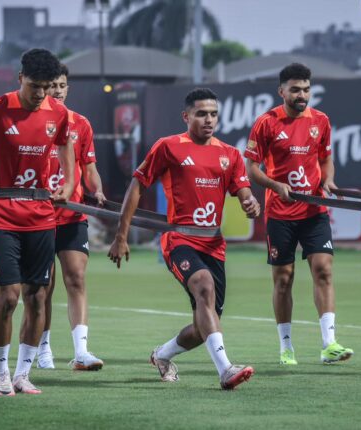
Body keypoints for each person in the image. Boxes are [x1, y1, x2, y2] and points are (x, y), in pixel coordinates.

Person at [108, 88, 259, 390]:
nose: (208, 120)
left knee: (205, 327)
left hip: (214, 244)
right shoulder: (169, 147)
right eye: (201, 114)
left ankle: (162, 355)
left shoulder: (230, 154)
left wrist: (250, 202)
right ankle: (225, 370)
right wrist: (121, 235)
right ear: (186, 116)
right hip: (179, 239)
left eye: (213, 114)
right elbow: (137, 186)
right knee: (203, 285)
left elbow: (243, 191)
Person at [0, 48, 75, 396]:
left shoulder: (58, 113)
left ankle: (23, 374)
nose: (41, 94)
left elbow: (65, 145)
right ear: (20, 78)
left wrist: (68, 183)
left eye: (47, 87)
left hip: (41, 217)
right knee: (8, 298)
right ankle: (0, 373)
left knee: (37, 298)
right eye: (35, 86)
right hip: (1, 216)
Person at [245, 63, 353, 366]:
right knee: (284, 279)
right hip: (280, 213)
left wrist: (329, 180)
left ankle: (329, 344)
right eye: (295, 90)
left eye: (306, 89)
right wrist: (275, 185)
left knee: (324, 270)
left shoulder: (321, 120)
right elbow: (251, 169)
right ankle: (286, 346)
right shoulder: (266, 123)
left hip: (314, 210)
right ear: (281, 91)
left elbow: (326, 158)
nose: (302, 95)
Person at [37, 64, 106, 371]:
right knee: (43, 286)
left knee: (76, 277)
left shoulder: (81, 124)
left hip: (72, 215)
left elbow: (89, 169)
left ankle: (81, 352)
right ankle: (42, 348)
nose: (58, 90)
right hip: (38, 216)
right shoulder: (33, 121)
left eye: (62, 85)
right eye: (52, 85)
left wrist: (97, 190)